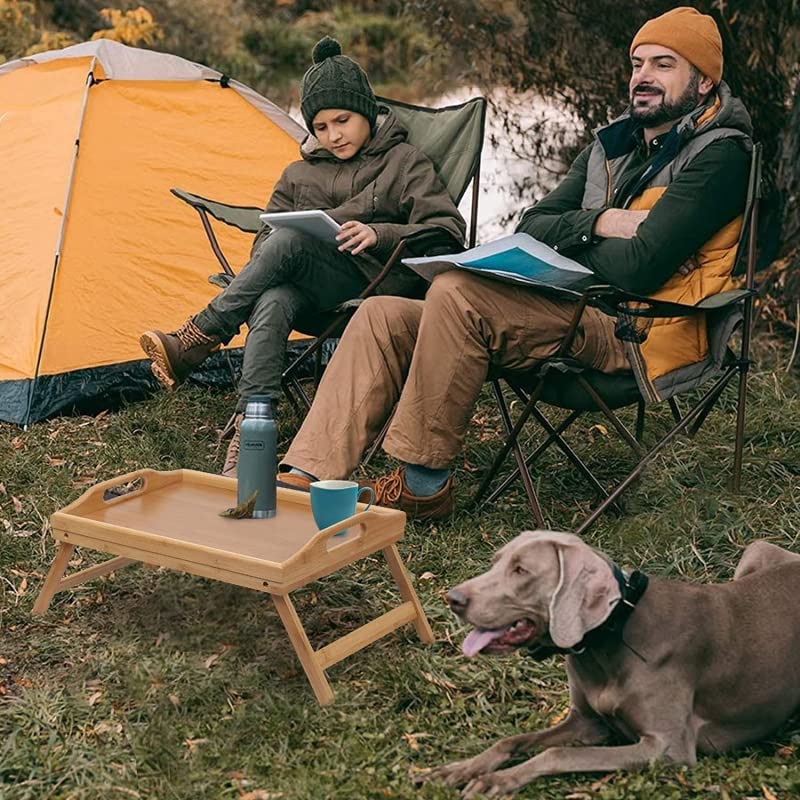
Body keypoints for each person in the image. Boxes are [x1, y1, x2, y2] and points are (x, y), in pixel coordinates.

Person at [277, 6, 754, 520]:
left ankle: (422, 483)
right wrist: (600, 222)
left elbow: (641, 268)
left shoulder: (722, 155)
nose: (642, 77)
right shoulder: (612, 146)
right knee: (382, 314)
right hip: (567, 308)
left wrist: (577, 238)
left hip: (639, 328)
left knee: (457, 292)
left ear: (703, 82)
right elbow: (532, 226)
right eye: (638, 63)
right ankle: (310, 473)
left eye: (664, 65)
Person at [139, 36, 466, 476]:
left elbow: (447, 232)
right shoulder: (298, 173)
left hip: (374, 279)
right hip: (310, 281)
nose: (334, 135)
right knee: (272, 298)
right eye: (321, 127)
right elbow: (266, 240)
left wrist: (379, 232)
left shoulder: (404, 162)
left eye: (343, 120)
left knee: (289, 244)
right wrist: (277, 245)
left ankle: (200, 335)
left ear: (365, 110)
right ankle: (253, 436)